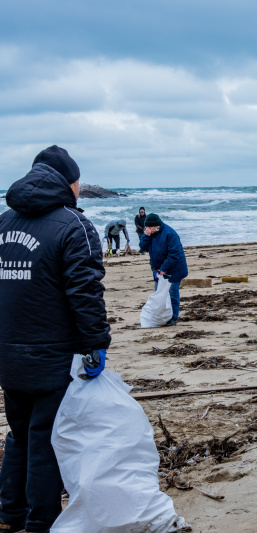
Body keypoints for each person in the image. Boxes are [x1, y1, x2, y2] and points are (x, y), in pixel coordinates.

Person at [0, 146, 111, 533]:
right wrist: (97, 342)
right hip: (52, 355)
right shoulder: (72, 225)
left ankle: (8, 514)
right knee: (45, 438)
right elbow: (84, 290)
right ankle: (39, 521)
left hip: (8, 354)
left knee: (19, 434)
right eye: (78, 181)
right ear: (71, 181)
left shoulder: (3, 222)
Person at [139, 214, 188, 326]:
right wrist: (146, 235)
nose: (149, 230)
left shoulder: (170, 233)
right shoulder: (150, 233)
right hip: (158, 269)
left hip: (175, 268)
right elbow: (143, 247)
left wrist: (164, 268)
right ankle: (161, 316)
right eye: (147, 228)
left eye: (150, 228)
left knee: (172, 292)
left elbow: (174, 254)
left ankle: (173, 317)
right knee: (159, 293)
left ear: (157, 226)